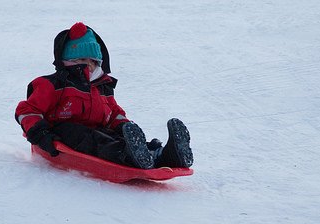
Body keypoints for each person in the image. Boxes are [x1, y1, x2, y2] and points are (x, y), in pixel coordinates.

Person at [14, 22, 193, 170]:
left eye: (94, 61)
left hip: (98, 133)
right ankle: (128, 156)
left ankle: (163, 155)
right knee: (86, 136)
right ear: (69, 61)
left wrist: (124, 126)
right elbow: (27, 110)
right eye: (84, 60)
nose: (90, 65)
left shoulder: (101, 87)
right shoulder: (53, 84)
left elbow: (114, 113)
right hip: (61, 134)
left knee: (114, 135)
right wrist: (41, 134)